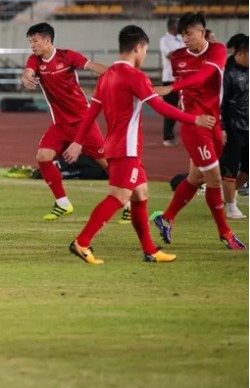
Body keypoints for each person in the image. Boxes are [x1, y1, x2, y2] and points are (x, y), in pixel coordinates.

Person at [64, 25, 216, 264]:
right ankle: (82, 242)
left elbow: (91, 113)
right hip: (127, 149)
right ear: (138, 48)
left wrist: (77, 142)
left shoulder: (107, 76)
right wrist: (194, 119)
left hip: (114, 146)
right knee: (118, 196)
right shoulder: (135, 76)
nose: (144, 55)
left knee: (140, 194)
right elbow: (160, 107)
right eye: (144, 50)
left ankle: (150, 251)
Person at [151, 12, 246, 250]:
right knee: (214, 179)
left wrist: (172, 87)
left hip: (213, 122)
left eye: (189, 33)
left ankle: (166, 217)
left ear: (202, 32)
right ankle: (225, 232)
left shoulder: (217, 50)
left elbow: (204, 77)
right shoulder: (177, 57)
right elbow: (186, 89)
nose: (185, 38)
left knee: (196, 177)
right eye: (182, 34)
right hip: (194, 125)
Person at [20, 22, 113, 221]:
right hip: (60, 125)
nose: (32, 45)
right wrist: (25, 78)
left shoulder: (67, 56)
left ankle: (129, 203)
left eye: (34, 41)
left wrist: (115, 75)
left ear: (47, 40)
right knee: (43, 156)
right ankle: (63, 203)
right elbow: (28, 71)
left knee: (106, 163)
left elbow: (92, 66)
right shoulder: (35, 60)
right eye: (30, 42)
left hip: (83, 122)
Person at [220, 35, 248, 219]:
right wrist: (222, 127)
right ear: (240, 54)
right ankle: (230, 206)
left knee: (247, 169)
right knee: (230, 168)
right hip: (233, 129)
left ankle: (230, 194)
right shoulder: (227, 74)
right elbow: (219, 104)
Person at [159, 17, 184, 146]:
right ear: (173, 26)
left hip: (183, 79)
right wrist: (183, 55)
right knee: (170, 109)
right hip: (170, 79)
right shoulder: (164, 40)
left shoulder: (180, 39)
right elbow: (171, 56)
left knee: (185, 107)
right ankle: (167, 136)